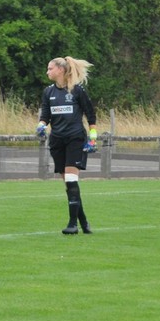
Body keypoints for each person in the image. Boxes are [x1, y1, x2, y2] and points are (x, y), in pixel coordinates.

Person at [37, 56, 98, 235]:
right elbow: (45, 115)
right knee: (68, 184)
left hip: (75, 139)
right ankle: (84, 222)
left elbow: (91, 117)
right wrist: (41, 126)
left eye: (50, 69)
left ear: (61, 70)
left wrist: (93, 138)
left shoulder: (78, 91)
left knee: (72, 181)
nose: (47, 72)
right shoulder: (48, 92)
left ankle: (73, 224)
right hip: (57, 140)